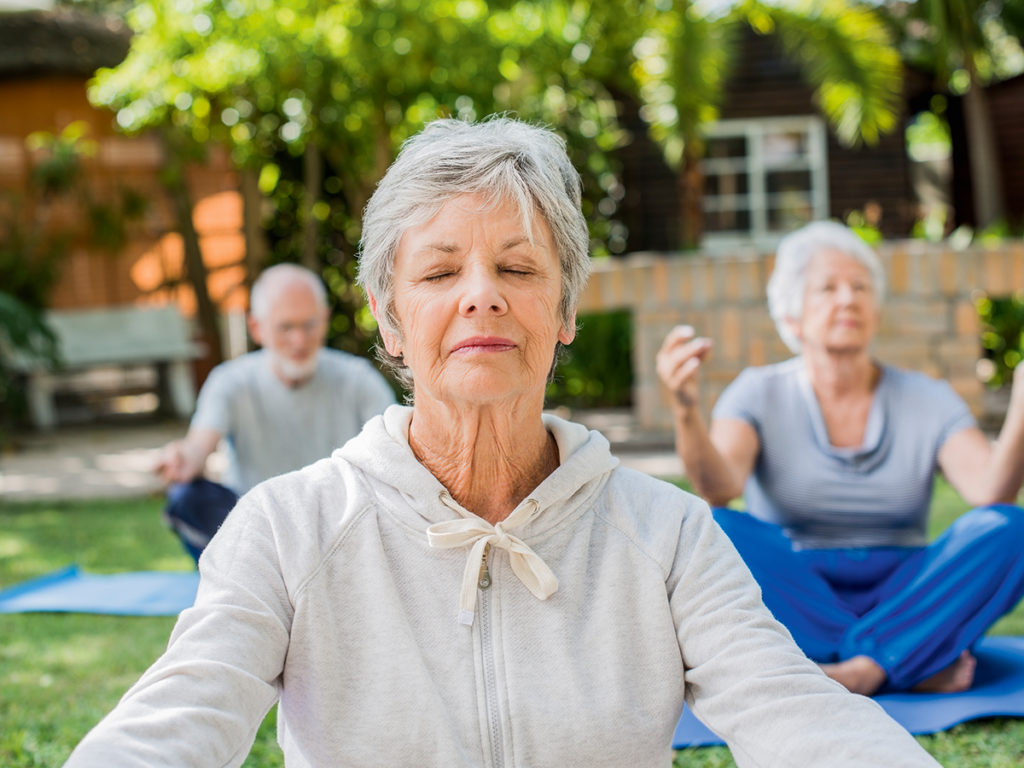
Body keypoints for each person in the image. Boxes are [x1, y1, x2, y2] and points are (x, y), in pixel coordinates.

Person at [66, 119, 940, 768]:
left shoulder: (667, 535)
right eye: (440, 272)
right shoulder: (287, 527)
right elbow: (177, 721)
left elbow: (799, 718)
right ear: (390, 318)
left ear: (562, 314)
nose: (481, 295)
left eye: (518, 269)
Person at [657, 220, 1024, 697]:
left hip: (905, 589)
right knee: (715, 527)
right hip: (799, 590)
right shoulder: (757, 392)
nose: (848, 299)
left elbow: (990, 492)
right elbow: (719, 486)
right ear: (792, 317)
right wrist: (686, 410)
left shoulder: (928, 398)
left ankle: (850, 672)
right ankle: (905, 661)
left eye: (860, 287)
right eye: (827, 288)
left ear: (875, 308)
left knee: (1008, 529)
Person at [154, 263, 395, 561]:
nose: (299, 340)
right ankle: (237, 583)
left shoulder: (358, 379)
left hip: (339, 527)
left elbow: (395, 457)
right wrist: (182, 459)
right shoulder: (230, 381)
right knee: (185, 498)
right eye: (286, 327)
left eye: (309, 325)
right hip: (256, 532)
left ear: (324, 319)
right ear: (257, 327)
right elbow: (197, 449)